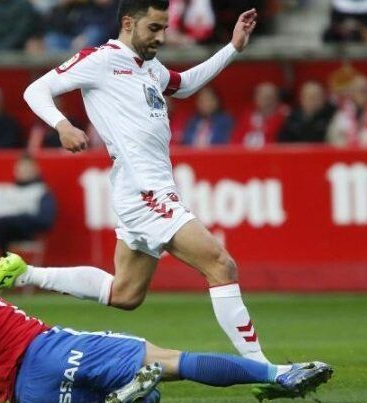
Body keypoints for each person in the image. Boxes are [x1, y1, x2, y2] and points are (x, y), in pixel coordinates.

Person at [23, 1, 273, 365]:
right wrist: (62, 125)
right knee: (221, 264)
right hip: (145, 192)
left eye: (164, 28)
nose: (161, 36)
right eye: (154, 28)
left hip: (140, 189)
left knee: (125, 293)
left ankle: (24, 272)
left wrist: (232, 48)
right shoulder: (101, 60)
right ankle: (264, 369)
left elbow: (185, 85)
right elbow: (35, 91)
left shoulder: (149, 67)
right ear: (128, 23)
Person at [0, 218, 333, 403]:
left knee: (147, 395)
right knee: (166, 362)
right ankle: (278, 374)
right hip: (45, 350)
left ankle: (124, 394)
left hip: (28, 399)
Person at [0, 154, 56, 273]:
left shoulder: (42, 191)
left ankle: (1, 273)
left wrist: (18, 219)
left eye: (27, 168)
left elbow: (46, 221)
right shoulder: (6, 191)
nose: (24, 172)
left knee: (4, 227)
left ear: (36, 170)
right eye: (21, 169)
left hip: (23, 231)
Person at [231, 82, 289, 148]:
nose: (266, 100)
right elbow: (235, 140)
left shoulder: (284, 118)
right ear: (255, 97)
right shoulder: (246, 116)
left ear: (277, 98)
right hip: (244, 154)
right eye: (261, 95)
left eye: (269, 96)